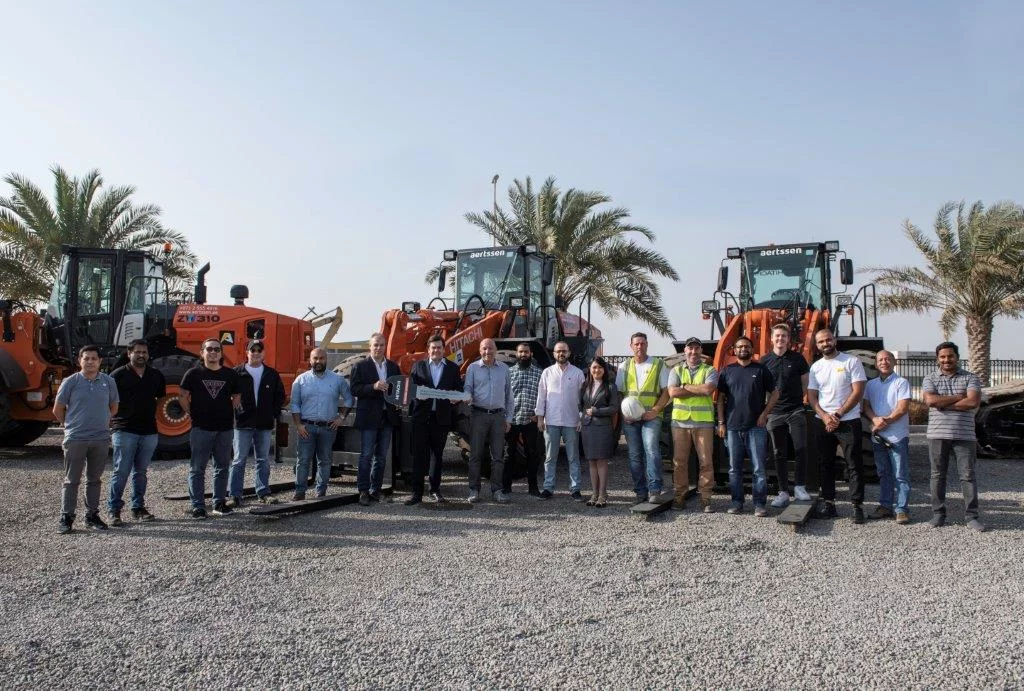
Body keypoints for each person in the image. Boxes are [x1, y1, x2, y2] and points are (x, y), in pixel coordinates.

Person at [54, 345, 119, 533]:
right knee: (71, 480)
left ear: (99, 361)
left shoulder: (108, 382)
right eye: (86, 358)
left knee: (94, 479)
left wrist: (103, 421)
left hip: (100, 438)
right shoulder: (70, 382)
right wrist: (68, 426)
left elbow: (113, 407)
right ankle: (66, 517)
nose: (90, 361)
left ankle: (92, 515)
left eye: (93, 358)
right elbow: (58, 409)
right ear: (79, 361)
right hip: (76, 438)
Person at [921, 341, 985, 532]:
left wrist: (944, 404)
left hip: (965, 435)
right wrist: (959, 397)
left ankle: (972, 516)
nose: (946, 360)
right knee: (937, 475)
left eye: (950, 356)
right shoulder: (930, 378)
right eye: (942, 357)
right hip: (937, 434)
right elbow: (931, 400)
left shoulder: (971, 377)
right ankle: (938, 514)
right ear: (937, 359)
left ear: (957, 357)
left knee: (968, 476)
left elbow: (972, 402)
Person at [807, 328, 867, 523]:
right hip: (823, 422)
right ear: (817, 345)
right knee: (825, 464)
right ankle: (829, 504)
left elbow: (858, 391)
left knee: (853, 463)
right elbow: (812, 396)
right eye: (821, 341)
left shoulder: (851, 361)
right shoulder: (816, 367)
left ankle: (857, 506)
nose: (825, 343)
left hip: (848, 420)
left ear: (835, 340)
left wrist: (838, 414)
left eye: (828, 339)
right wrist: (824, 416)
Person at [716, 336, 779, 517]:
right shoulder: (727, 371)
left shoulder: (761, 370)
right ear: (734, 350)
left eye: (747, 346)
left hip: (756, 427)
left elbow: (775, 393)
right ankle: (737, 502)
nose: (743, 349)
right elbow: (720, 398)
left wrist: (765, 414)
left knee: (759, 468)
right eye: (740, 346)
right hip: (733, 427)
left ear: (752, 349)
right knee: (734, 468)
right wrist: (721, 422)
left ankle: (759, 504)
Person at [180, 338, 241, 519]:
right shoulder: (193, 374)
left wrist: (232, 411)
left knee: (222, 467)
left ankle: (219, 503)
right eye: (209, 349)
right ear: (202, 352)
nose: (213, 352)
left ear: (221, 353)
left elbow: (237, 395)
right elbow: (182, 396)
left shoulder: (230, 375)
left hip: (224, 429)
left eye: (217, 349)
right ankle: (198, 506)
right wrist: (191, 414)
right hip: (201, 428)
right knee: (197, 468)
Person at [107, 339, 166, 525]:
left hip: (148, 430)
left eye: (144, 352)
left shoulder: (156, 375)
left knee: (141, 472)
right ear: (129, 353)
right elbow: (108, 401)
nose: (141, 355)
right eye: (138, 352)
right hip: (124, 429)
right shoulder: (117, 375)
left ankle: (138, 507)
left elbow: (158, 399)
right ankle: (114, 510)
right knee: (121, 471)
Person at [289, 347, 353, 501]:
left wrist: (341, 417)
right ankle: (300, 493)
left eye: (321, 358)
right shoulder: (300, 380)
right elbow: (295, 404)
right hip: (306, 427)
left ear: (326, 359)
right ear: (310, 360)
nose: (318, 361)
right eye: (315, 358)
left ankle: (321, 493)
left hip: (328, 428)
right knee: (303, 460)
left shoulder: (337, 380)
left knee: (324, 461)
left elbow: (349, 399)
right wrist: (298, 425)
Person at [229, 339, 286, 507]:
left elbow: (280, 396)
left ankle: (263, 492)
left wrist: (271, 413)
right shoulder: (236, 373)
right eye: (252, 350)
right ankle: (235, 495)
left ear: (264, 353)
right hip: (242, 424)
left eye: (259, 349)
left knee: (262, 459)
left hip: (264, 425)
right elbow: (229, 396)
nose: (255, 352)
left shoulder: (271, 374)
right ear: (247, 352)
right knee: (239, 460)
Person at [406, 335, 462, 505]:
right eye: (433, 348)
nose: (436, 350)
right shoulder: (418, 366)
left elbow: (458, 389)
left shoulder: (452, 368)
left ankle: (435, 491)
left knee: (437, 455)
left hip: (441, 418)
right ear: (428, 350)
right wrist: (417, 395)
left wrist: (456, 398)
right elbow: (411, 389)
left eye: (439, 347)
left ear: (444, 350)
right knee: (419, 455)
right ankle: (417, 493)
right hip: (421, 417)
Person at [761, 324, 812, 507]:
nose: (780, 339)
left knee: (800, 449)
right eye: (777, 336)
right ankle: (783, 492)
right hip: (775, 413)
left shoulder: (798, 359)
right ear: (771, 339)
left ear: (788, 339)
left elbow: (805, 383)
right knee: (778, 452)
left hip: (795, 410)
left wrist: (798, 397)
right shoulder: (764, 361)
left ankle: (799, 487)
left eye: (783, 336)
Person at [616, 332, 670, 503]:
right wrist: (624, 414)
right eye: (636, 344)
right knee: (634, 455)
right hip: (631, 419)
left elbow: (666, 392)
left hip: (651, 416)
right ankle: (640, 491)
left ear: (647, 345)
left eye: (642, 343)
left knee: (651, 450)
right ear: (631, 346)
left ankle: (655, 489)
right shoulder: (624, 367)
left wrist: (655, 411)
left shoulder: (658, 364)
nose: (639, 347)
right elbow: (619, 393)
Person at [666, 337, 718, 513]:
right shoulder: (676, 370)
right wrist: (697, 388)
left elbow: (708, 390)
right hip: (680, 423)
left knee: (706, 462)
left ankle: (705, 497)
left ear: (700, 351)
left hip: (703, 423)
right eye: (690, 349)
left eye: (696, 349)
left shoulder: (710, 369)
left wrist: (686, 386)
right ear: (685, 351)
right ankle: (680, 495)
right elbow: (673, 392)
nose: (693, 352)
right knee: (679, 462)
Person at [350, 332, 401, 506]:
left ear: (385, 346)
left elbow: (399, 390)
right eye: (375, 345)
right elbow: (355, 389)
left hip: (388, 417)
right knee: (366, 455)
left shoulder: (394, 367)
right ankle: (363, 491)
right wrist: (373, 386)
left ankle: (375, 490)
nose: (378, 348)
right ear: (369, 347)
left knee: (381, 457)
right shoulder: (360, 366)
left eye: (381, 345)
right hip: (369, 417)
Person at [862, 349, 912, 524]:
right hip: (878, 436)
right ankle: (885, 506)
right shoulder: (871, 385)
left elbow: (902, 407)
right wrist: (875, 419)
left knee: (900, 474)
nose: (884, 362)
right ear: (876, 364)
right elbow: (866, 406)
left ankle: (901, 509)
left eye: (887, 359)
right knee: (883, 473)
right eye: (880, 360)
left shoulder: (901, 383)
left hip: (897, 436)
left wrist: (886, 421)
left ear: (894, 362)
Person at [463, 338, 514, 503]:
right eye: (484, 348)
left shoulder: (504, 369)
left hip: (499, 417)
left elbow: (509, 396)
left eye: (490, 348)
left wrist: (508, 418)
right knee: (475, 455)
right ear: (480, 350)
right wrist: (467, 396)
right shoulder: (472, 368)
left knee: (498, 456)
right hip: (478, 415)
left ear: (495, 350)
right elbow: (468, 388)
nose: (487, 351)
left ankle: (497, 490)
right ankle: (473, 490)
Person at [536, 341, 587, 501]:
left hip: (572, 421)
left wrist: (581, 418)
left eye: (564, 351)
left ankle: (575, 489)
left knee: (573, 457)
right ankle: (548, 488)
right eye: (558, 351)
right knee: (550, 457)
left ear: (569, 353)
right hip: (551, 420)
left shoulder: (578, 373)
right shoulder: (547, 373)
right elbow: (541, 396)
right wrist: (540, 418)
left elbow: (583, 399)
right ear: (554, 354)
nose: (561, 354)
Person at [505, 342, 543, 497]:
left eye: (526, 352)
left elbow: (544, 397)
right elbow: (504, 395)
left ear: (531, 354)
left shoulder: (539, 373)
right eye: (521, 352)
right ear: (516, 353)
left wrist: (539, 414)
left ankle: (533, 487)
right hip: (512, 419)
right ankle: (506, 486)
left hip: (530, 420)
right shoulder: (509, 372)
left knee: (532, 454)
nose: (523, 354)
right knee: (509, 453)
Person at [580, 356, 619, 508]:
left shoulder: (610, 387)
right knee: (591, 461)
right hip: (587, 428)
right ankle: (594, 493)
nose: (597, 370)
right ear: (590, 369)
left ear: (604, 370)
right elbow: (581, 406)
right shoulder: (585, 386)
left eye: (600, 368)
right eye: (594, 367)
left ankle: (603, 494)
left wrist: (597, 411)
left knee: (601, 461)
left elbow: (614, 407)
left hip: (603, 428)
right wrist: (582, 418)